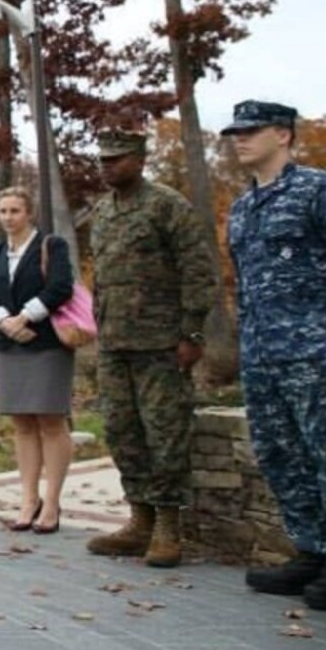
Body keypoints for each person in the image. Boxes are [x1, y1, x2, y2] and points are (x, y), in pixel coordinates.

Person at [223, 100, 326, 611]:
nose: (239, 139)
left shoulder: (320, 191)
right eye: (236, 132)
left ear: (283, 135)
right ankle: (311, 549)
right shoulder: (243, 209)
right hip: (264, 353)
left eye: (251, 130)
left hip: (316, 349)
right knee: (280, 452)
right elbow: (245, 287)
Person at [86, 129, 218, 568]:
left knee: (165, 432)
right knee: (123, 432)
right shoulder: (103, 212)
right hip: (115, 343)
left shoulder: (166, 205)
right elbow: (101, 279)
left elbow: (197, 269)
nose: (107, 166)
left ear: (139, 159)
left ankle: (167, 526)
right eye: (103, 159)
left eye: (116, 158)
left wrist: (192, 332)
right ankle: (139, 519)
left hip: (160, 343)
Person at [0, 186, 75, 535]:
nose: (8, 217)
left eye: (14, 211)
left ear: (28, 213)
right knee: (21, 422)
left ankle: (52, 502)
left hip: (46, 343)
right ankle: (28, 498)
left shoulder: (52, 246)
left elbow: (61, 286)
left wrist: (27, 316)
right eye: (3, 211)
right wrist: (5, 320)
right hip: (9, 346)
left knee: (50, 421)